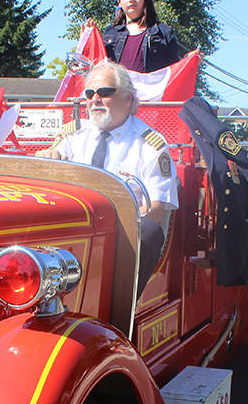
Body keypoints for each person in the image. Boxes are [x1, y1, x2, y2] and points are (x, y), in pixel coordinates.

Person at [37, 60, 178, 289]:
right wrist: (47, 158)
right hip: (74, 228)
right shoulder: (73, 135)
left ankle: (120, 314)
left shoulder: (151, 145)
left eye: (105, 92)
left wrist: (108, 231)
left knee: (149, 232)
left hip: (123, 237)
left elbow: (156, 211)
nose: (95, 99)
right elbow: (49, 166)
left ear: (128, 98)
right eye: (90, 93)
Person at [82, 0, 181, 73]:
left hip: (149, 89)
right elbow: (94, 69)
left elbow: (175, 72)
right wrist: (86, 42)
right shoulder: (109, 33)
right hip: (117, 88)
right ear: (119, 2)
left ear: (145, 0)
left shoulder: (163, 33)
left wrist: (190, 61)